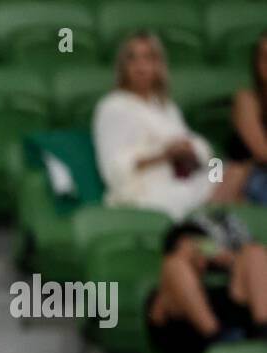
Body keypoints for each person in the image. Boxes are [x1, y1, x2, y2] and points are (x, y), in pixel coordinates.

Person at [92, 32, 241, 220]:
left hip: (184, 178)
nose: (140, 66)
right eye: (132, 58)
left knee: (232, 172)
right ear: (123, 66)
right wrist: (162, 155)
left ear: (158, 65)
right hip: (145, 190)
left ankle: (210, 222)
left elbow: (195, 144)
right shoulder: (112, 106)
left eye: (148, 58)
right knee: (233, 187)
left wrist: (188, 149)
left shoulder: (167, 107)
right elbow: (112, 169)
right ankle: (206, 223)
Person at [147, 219, 267, 353]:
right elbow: (177, 261)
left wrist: (228, 258)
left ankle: (263, 334)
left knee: (254, 253)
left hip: (244, 337)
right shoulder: (169, 274)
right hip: (202, 343)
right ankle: (227, 348)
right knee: (176, 265)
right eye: (200, 244)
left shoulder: (213, 292)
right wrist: (193, 249)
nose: (205, 251)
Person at [229, 31, 267, 206]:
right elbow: (262, 152)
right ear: (256, 64)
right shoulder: (246, 99)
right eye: (264, 58)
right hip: (245, 174)